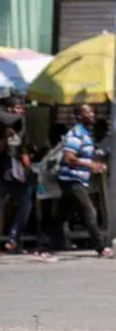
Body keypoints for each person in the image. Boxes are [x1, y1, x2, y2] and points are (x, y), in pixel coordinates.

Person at [53, 104, 112, 258]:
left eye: (93, 111)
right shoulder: (76, 134)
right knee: (89, 211)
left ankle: (46, 245)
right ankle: (101, 247)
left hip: (77, 179)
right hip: (71, 179)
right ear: (79, 116)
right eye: (87, 112)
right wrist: (90, 165)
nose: (92, 114)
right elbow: (68, 157)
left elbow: (84, 156)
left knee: (62, 215)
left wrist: (96, 164)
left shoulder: (86, 135)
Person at [1, 97, 47, 256]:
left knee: (26, 205)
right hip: (2, 171)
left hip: (16, 174)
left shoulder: (21, 128)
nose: (20, 111)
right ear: (8, 109)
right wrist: (4, 137)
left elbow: (24, 152)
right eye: (17, 108)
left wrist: (31, 170)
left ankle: (14, 239)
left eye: (22, 108)